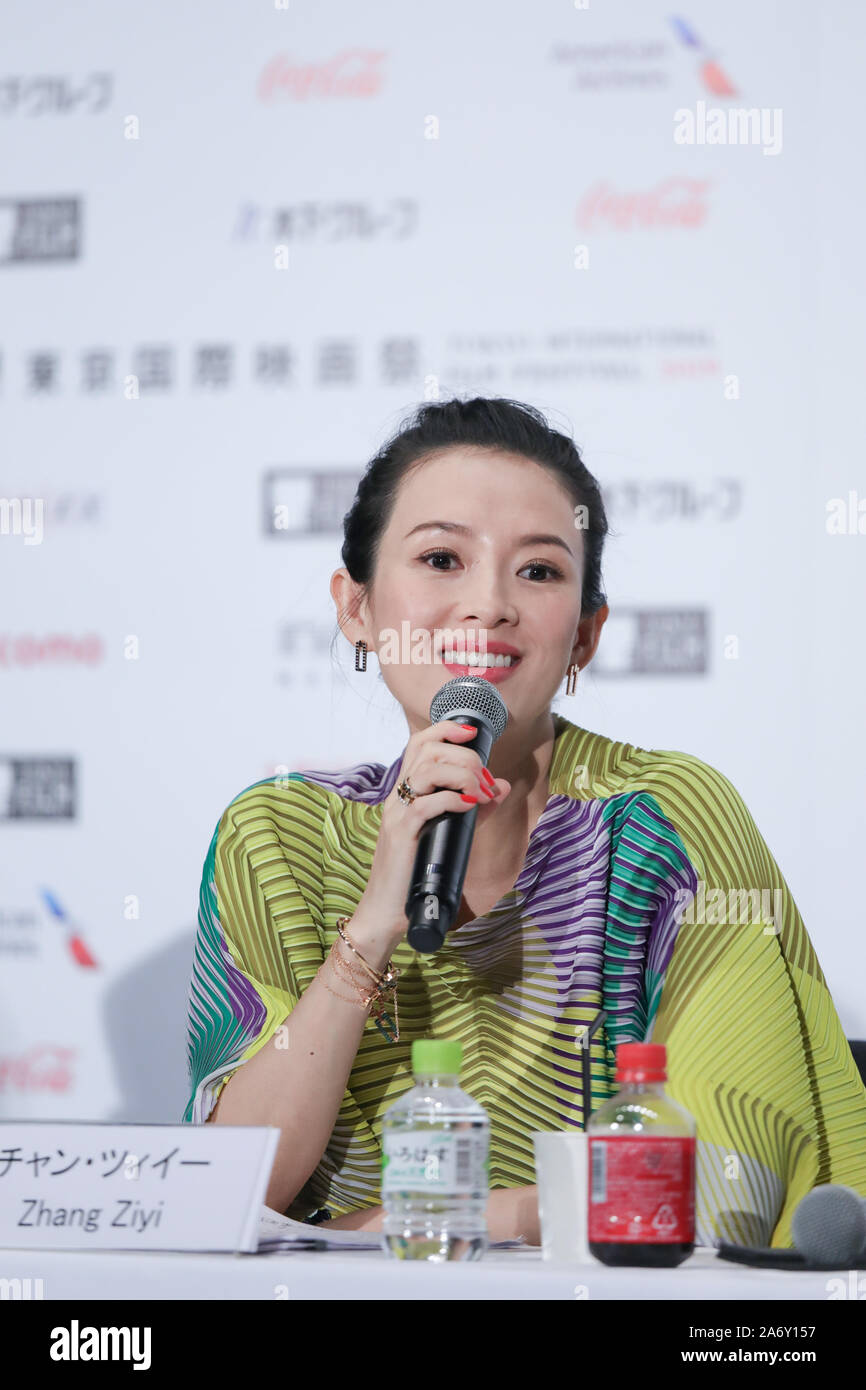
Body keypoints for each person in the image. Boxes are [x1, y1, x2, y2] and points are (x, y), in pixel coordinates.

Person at [183, 396, 866, 1248]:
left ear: (584, 635)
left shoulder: (666, 823)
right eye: (440, 558)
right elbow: (229, 1194)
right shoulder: (276, 836)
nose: (489, 606)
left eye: (539, 572)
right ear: (355, 608)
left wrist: (433, 1218)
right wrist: (370, 933)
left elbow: (724, 1183)